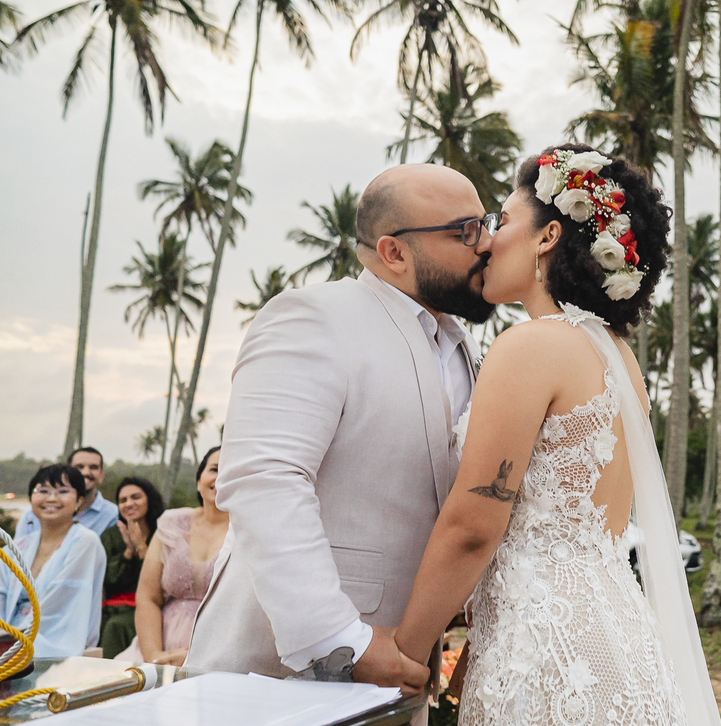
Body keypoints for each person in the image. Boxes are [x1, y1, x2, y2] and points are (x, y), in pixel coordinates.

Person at [394, 145, 720, 725]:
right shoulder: (617, 358)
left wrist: (404, 654)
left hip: (550, 655)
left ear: (547, 237)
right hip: (619, 643)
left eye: (502, 220)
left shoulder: (531, 345)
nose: (487, 241)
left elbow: (474, 525)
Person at [187, 163, 492, 716]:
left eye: (485, 224)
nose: (486, 244)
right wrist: (338, 640)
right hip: (278, 675)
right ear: (394, 252)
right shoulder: (312, 316)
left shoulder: (465, 349)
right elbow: (265, 480)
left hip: (400, 681)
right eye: (465, 231)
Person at [0, 464, 105, 657]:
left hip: (50, 644)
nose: (51, 498)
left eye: (63, 491)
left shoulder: (85, 541)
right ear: (31, 498)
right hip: (6, 641)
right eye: (43, 491)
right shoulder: (15, 549)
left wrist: (15, 640)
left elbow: (60, 605)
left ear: (79, 501)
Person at [119, 448, 228, 666]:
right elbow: (148, 597)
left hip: (221, 654)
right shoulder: (172, 524)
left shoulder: (249, 532)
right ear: (199, 481)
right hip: (158, 647)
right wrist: (154, 657)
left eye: (231, 470)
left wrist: (195, 658)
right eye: (214, 469)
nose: (221, 476)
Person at [99, 476, 165, 658]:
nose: (129, 504)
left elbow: (162, 581)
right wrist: (129, 551)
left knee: (115, 626)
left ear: (149, 499)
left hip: (150, 607)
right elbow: (109, 581)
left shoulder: (164, 532)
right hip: (114, 607)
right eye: (123, 500)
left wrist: (142, 547)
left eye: (136, 497)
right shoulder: (111, 536)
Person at [15, 447, 118, 538]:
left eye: (93, 467)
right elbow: (17, 550)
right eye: (79, 467)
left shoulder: (112, 515)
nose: (86, 472)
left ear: (101, 476)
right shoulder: (32, 514)